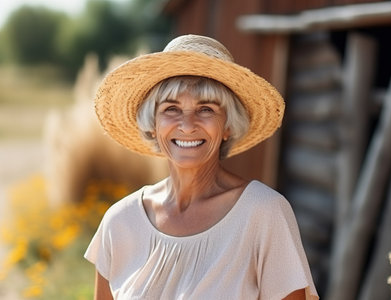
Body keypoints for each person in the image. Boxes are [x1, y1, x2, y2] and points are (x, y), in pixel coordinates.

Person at [85, 34, 319, 300]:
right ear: (153, 124)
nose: (187, 125)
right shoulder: (120, 221)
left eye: (206, 109)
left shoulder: (263, 213)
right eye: (171, 109)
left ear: (228, 126)